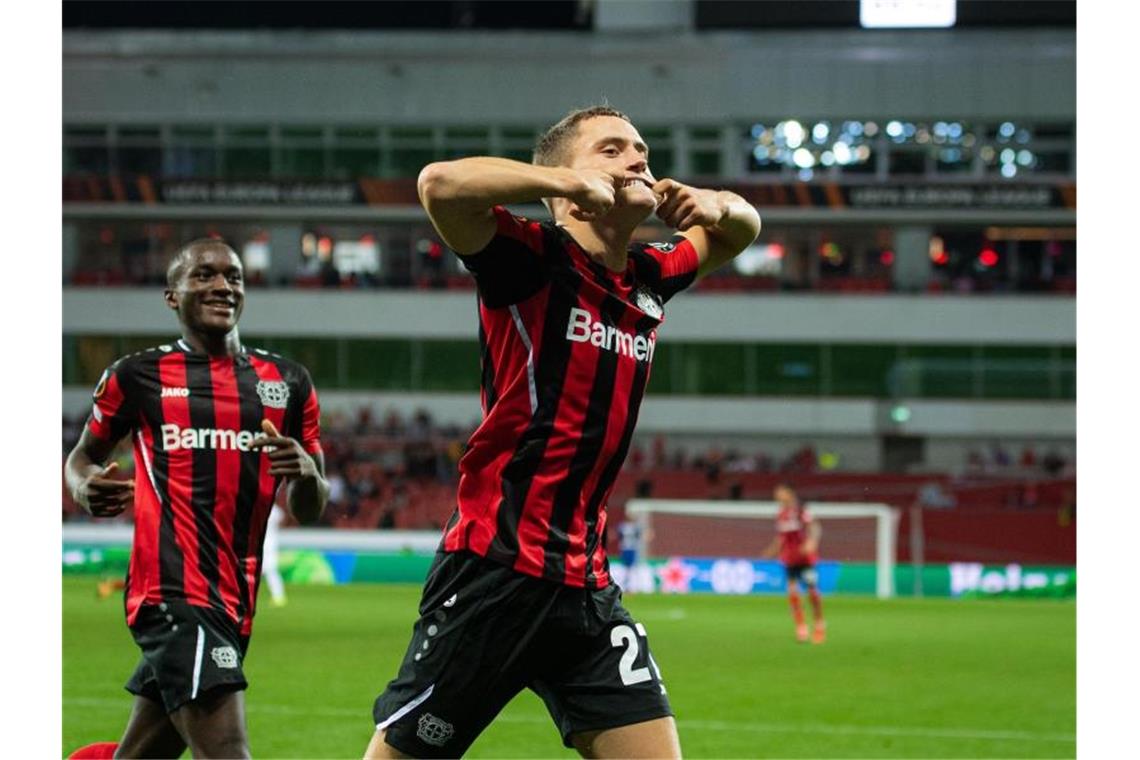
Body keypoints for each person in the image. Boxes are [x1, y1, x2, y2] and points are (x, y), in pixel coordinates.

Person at [364, 105, 761, 759]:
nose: (638, 158)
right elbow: (438, 184)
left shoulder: (648, 277)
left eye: (642, 149)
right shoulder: (529, 260)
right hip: (496, 573)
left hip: (586, 587)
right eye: (612, 149)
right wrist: (561, 185)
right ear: (567, 184)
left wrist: (713, 202)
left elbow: (743, 229)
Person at [64, 238, 330, 759]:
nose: (222, 285)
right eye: (204, 275)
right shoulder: (136, 377)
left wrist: (305, 473)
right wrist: (82, 486)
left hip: (234, 599)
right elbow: (81, 457)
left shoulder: (288, 383)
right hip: (173, 592)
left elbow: (309, 505)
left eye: (233, 277)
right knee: (227, 751)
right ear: (172, 296)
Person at [762, 483, 826, 644]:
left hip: (805, 559)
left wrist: (812, 542)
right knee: (792, 592)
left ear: (789, 494)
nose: (777, 495)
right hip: (789, 558)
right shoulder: (781, 514)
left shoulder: (801, 511)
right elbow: (781, 537)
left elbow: (815, 527)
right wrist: (772, 550)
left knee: (812, 593)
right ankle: (801, 627)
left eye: (780, 492)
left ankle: (819, 624)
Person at [262, 504, 288, 606]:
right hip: (271, 543)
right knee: (270, 570)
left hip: (267, 544)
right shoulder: (276, 510)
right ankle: (278, 596)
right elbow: (282, 520)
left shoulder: (260, 506)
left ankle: (278, 596)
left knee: (270, 570)